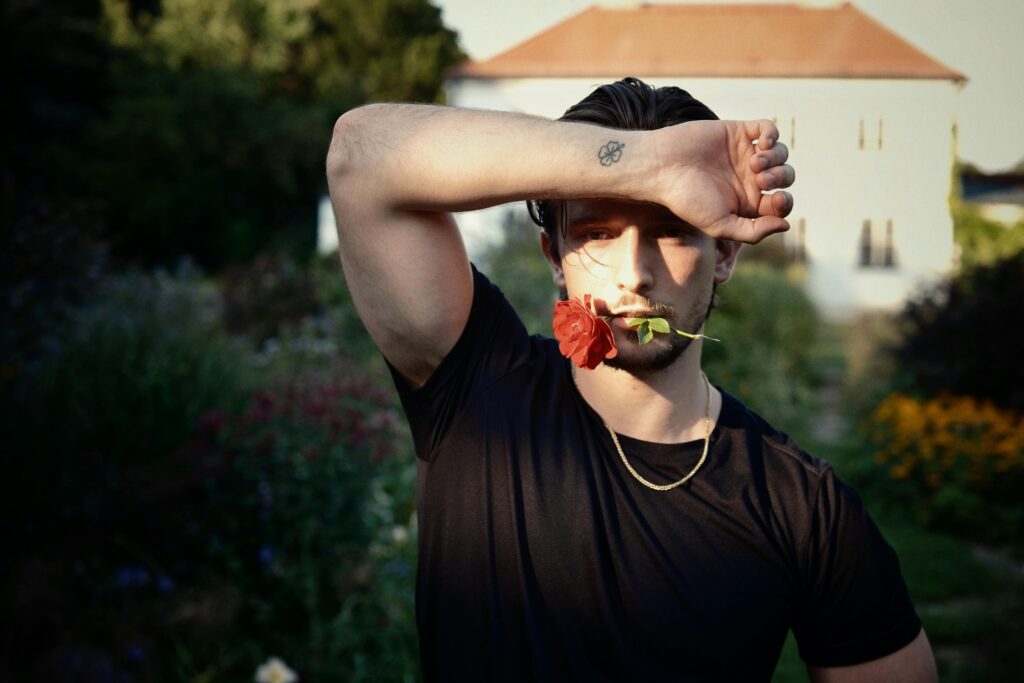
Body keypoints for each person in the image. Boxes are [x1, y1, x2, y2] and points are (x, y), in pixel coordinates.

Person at [326, 77, 936, 682]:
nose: (635, 274)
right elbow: (360, 153)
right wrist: (651, 167)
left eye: (671, 228)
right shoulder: (477, 386)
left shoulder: (803, 508)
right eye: (597, 234)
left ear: (724, 255)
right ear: (553, 256)